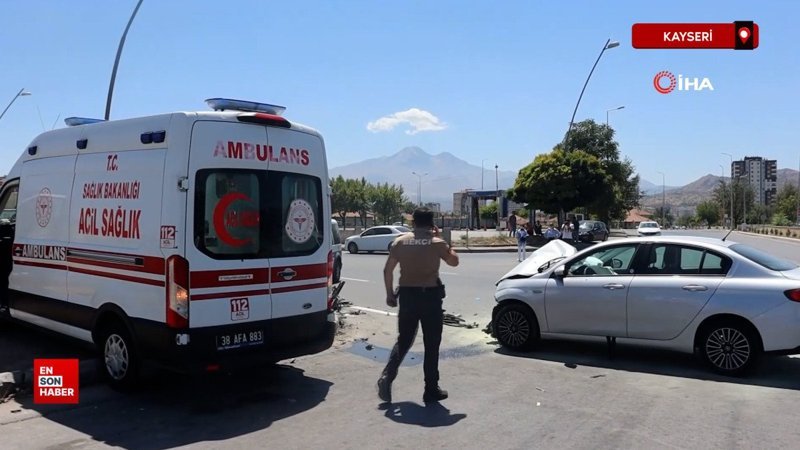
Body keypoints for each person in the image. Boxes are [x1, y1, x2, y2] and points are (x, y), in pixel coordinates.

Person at [378, 207, 459, 404]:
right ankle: (431, 390)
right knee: (432, 344)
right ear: (432, 224)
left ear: (413, 223)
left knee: (404, 340)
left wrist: (390, 294)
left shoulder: (400, 242)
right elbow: (454, 262)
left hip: (407, 297)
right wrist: (447, 243)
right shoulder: (437, 243)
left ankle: (387, 376)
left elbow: (387, 270)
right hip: (430, 298)